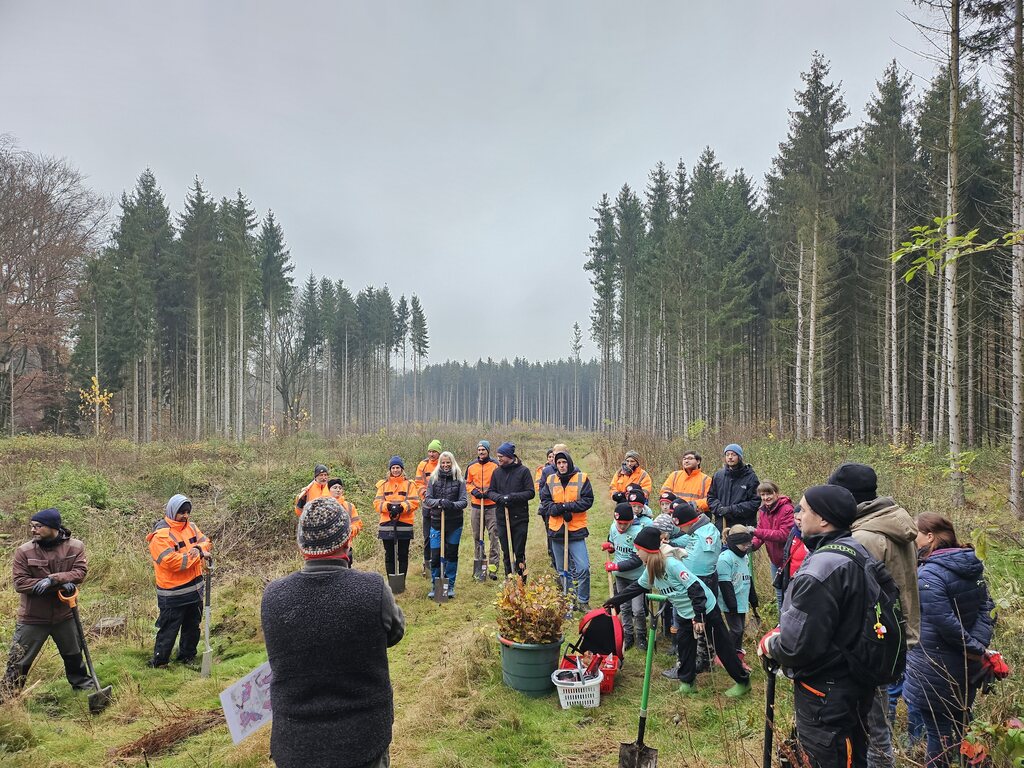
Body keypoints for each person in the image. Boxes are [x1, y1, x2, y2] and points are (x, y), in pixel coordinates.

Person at [262, 495, 405, 768]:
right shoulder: (372, 589)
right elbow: (396, 632)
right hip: (364, 739)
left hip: (295, 743)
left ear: (301, 544)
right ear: (347, 540)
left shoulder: (273, 596)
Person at [757, 484, 877, 768]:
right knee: (853, 750)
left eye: (804, 509)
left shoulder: (821, 568)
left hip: (825, 689)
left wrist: (770, 643)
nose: (798, 515)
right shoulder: (857, 551)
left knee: (828, 755)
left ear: (823, 519)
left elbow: (795, 645)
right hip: (856, 678)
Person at [828, 463, 921, 768]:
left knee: (872, 726)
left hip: (873, 641)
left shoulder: (867, 536)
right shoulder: (890, 523)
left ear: (849, 497)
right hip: (891, 634)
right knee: (877, 717)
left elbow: (855, 597)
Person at [605, 526, 750, 697]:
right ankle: (687, 683)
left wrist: (699, 617)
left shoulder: (671, 564)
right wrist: (613, 602)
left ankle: (743, 681)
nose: (636, 553)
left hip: (705, 609)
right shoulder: (650, 568)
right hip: (684, 612)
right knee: (685, 647)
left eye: (638, 550)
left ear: (648, 550)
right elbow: (637, 587)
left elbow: (696, 589)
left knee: (722, 646)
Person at [903, 513, 995, 768]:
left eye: (917, 533)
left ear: (929, 536)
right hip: (966, 665)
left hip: (935, 667)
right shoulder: (971, 564)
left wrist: (973, 647)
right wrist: (977, 646)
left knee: (939, 733)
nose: (913, 538)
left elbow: (945, 623)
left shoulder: (929, 575)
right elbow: (987, 607)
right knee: (963, 723)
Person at [2, 508, 92, 698]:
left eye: (38, 526)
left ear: (53, 527)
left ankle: (84, 689)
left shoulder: (75, 547)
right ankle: (8, 697)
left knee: (74, 654)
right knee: (18, 660)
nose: (33, 530)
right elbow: (20, 583)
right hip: (32, 617)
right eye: (32, 526)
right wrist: (60, 584)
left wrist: (54, 579)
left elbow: (80, 572)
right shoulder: (24, 551)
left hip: (65, 614)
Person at [146, 494, 212, 668]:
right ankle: (160, 662)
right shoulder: (160, 535)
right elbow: (172, 562)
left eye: (187, 511)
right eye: (181, 512)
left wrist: (198, 549)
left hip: (195, 588)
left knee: (192, 626)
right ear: (172, 511)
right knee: (169, 629)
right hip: (173, 593)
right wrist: (198, 555)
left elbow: (206, 542)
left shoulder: (191, 527)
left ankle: (187, 657)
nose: (185, 515)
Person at [663, 499, 721, 678]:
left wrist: (678, 567)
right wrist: (672, 543)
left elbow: (701, 561)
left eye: (684, 527)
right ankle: (703, 660)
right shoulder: (699, 530)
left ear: (690, 522)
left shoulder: (706, 534)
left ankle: (688, 664)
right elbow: (686, 539)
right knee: (702, 622)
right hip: (698, 579)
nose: (683, 530)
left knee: (688, 624)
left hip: (697, 581)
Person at [540, 450, 594, 611]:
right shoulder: (550, 480)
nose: (561, 466)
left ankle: (583, 600)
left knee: (583, 568)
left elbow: (587, 500)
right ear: (555, 465)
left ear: (569, 463)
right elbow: (545, 502)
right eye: (559, 463)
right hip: (557, 531)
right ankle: (568, 600)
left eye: (564, 463)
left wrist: (568, 507)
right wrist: (558, 509)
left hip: (576, 530)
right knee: (563, 571)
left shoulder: (581, 478)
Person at [601, 503, 652, 651]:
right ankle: (628, 635)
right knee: (624, 607)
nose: (622, 527)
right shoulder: (613, 527)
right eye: (619, 523)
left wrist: (617, 566)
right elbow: (614, 543)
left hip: (637, 578)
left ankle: (641, 637)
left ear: (631, 520)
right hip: (621, 577)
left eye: (625, 524)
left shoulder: (639, 532)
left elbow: (638, 559)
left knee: (638, 610)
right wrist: (610, 546)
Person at [487, 442, 536, 581]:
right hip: (502, 518)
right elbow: (491, 491)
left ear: (509, 456)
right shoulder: (497, 472)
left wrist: (512, 497)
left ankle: (521, 583)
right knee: (507, 552)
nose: (499, 459)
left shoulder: (523, 471)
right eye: (497, 456)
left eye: (501, 456)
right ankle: (509, 582)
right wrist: (500, 498)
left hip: (519, 518)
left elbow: (530, 492)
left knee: (519, 552)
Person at [423, 451, 467, 599]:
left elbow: (464, 501)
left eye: (448, 462)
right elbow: (428, 499)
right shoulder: (434, 479)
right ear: (440, 463)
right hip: (436, 522)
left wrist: (451, 505)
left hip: (454, 523)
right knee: (435, 555)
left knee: (451, 554)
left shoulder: (459, 479)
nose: (445, 465)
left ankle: (450, 586)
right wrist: (440, 502)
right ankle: (436, 586)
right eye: (443, 462)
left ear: (452, 462)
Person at [750, 480, 795, 612]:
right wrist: (752, 545)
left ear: (776, 493)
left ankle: (789, 624)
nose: (765, 498)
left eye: (768, 494)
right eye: (762, 495)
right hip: (775, 560)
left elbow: (784, 535)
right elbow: (760, 533)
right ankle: (781, 625)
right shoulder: (763, 511)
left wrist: (756, 531)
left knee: (790, 594)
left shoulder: (787, 509)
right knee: (779, 593)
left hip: (789, 560)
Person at [374, 457, 419, 580]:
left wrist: (401, 507)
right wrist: (388, 506)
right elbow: (377, 503)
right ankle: (392, 581)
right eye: (393, 468)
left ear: (402, 469)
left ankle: (401, 581)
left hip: (404, 523)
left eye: (397, 467)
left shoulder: (410, 484)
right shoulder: (383, 485)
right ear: (390, 470)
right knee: (389, 554)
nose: (395, 470)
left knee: (403, 553)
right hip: (387, 523)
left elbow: (414, 502)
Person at [466, 440, 501, 580]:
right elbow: (467, 483)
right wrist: (473, 491)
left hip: (491, 506)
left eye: (483, 450)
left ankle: (493, 568)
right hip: (476, 506)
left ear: (488, 451)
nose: (481, 452)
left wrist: (490, 492)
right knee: (477, 537)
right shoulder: (471, 466)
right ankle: (480, 564)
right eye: (479, 450)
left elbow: (499, 482)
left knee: (494, 535)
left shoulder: (495, 465)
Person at [717, 525, 753, 659]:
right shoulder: (725, 558)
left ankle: (736, 653)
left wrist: (753, 598)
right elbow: (725, 584)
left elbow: (748, 576)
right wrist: (731, 605)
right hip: (731, 601)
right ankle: (723, 654)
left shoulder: (745, 557)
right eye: (744, 544)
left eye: (748, 544)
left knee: (740, 629)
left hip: (742, 598)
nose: (746, 547)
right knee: (736, 629)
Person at [707, 444, 760, 531]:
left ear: (739, 457)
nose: (730, 457)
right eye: (727, 455)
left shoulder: (750, 477)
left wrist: (731, 510)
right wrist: (719, 509)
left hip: (742, 526)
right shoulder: (718, 475)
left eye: (733, 454)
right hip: (721, 525)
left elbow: (755, 502)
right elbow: (711, 497)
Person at [415, 440, 442, 577]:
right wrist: (425, 496)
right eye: (430, 451)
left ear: (439, 452)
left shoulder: (443, 463)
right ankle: (427, 565)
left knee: (440, 536)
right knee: (427, 537)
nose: (431, 454)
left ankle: (440, 564)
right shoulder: (423, 465)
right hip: (427, 505)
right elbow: (418, 483)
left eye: (434, 451)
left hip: (441, 507)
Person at [327, 478, 363, 545]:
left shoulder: (350, 506)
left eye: (340, 488)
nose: (338, 490)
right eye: (335, 488)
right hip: (328, 546)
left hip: (346, 545)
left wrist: (349, 530)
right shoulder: (324, 506)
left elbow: (358, 524)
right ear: (329, 490)